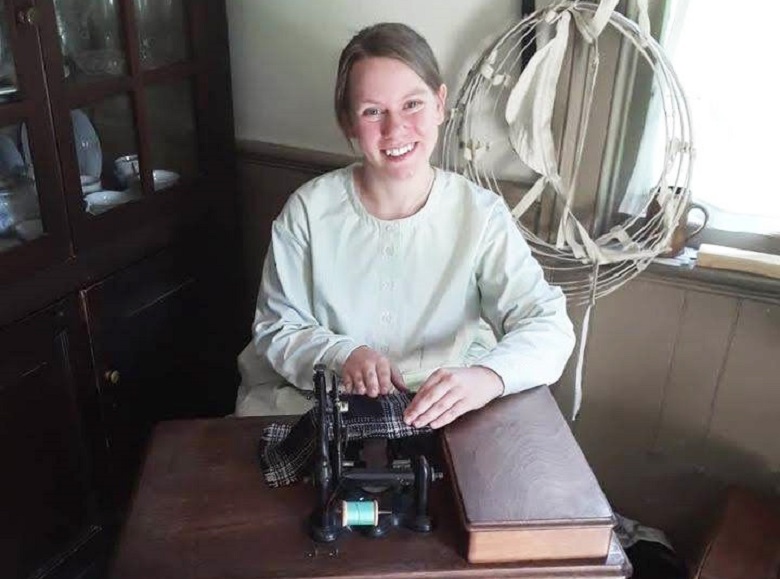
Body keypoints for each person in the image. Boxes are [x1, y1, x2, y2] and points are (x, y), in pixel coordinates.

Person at [235, 22, 575, 429]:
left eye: (412, 104)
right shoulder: (308, 210)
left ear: (439, 104)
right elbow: (276, 326)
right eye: (372, 111)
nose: (395, 129)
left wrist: (487, 378)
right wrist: (343, 356)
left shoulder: (480, 214)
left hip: (442, 408)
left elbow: (547, 323)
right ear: (347, 123)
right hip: (322, 402)